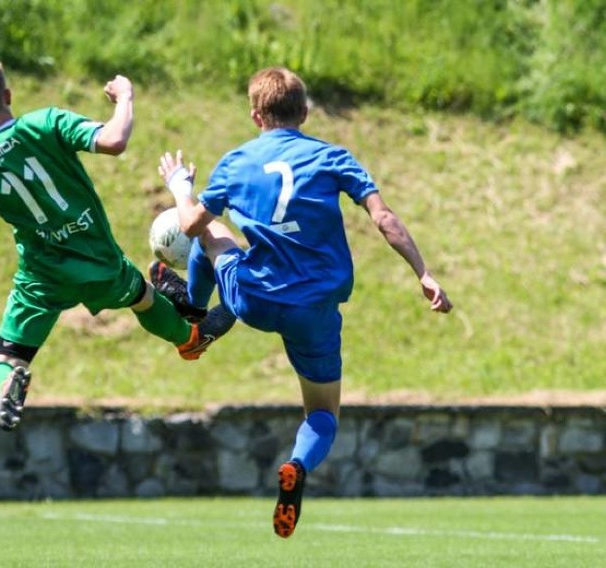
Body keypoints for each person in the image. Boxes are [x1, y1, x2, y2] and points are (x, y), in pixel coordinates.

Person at [150, 66, 453, 538]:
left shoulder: (236, 161)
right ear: (305, 112)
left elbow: (189, 224)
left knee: (214, 232)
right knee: (322, 415)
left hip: (255, 296)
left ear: (256, 116)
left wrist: (179, 185)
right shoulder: (334, 157)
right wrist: (424, 272)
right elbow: (384, 218)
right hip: (314, 309)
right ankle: (296, 466)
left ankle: (193, 315)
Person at [0, 58, 234, 432]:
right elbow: (114, 140)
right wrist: (125, 98)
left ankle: (7, 386)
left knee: (6, 358)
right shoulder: (45, 123)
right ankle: (188, 338)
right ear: (8, 95)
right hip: (99, 261)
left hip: (40, 278)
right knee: (142, 297)